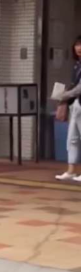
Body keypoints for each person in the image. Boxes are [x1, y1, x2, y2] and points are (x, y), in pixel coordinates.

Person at [55, 36, 81, 182]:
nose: (79, 48)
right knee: (72, 139)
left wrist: (64, 95)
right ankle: (71, 171)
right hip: (76, 105)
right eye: (77, 44)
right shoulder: (77, 65)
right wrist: (64, 99)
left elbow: (79, 88)